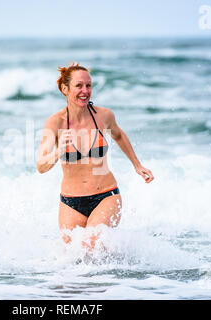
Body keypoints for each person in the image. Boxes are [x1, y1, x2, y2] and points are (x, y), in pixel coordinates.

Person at [36, 62, 154, 249]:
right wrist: (58, 152)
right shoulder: (55, 122)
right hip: (70, 202)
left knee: (90, 245)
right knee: (73, 258)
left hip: (105, 196)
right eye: (79, 86)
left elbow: (119, 135)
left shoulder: (104, 115)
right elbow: (41, 165)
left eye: (88, 85)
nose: (85, 90)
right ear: (65, 89)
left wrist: (137, 165)